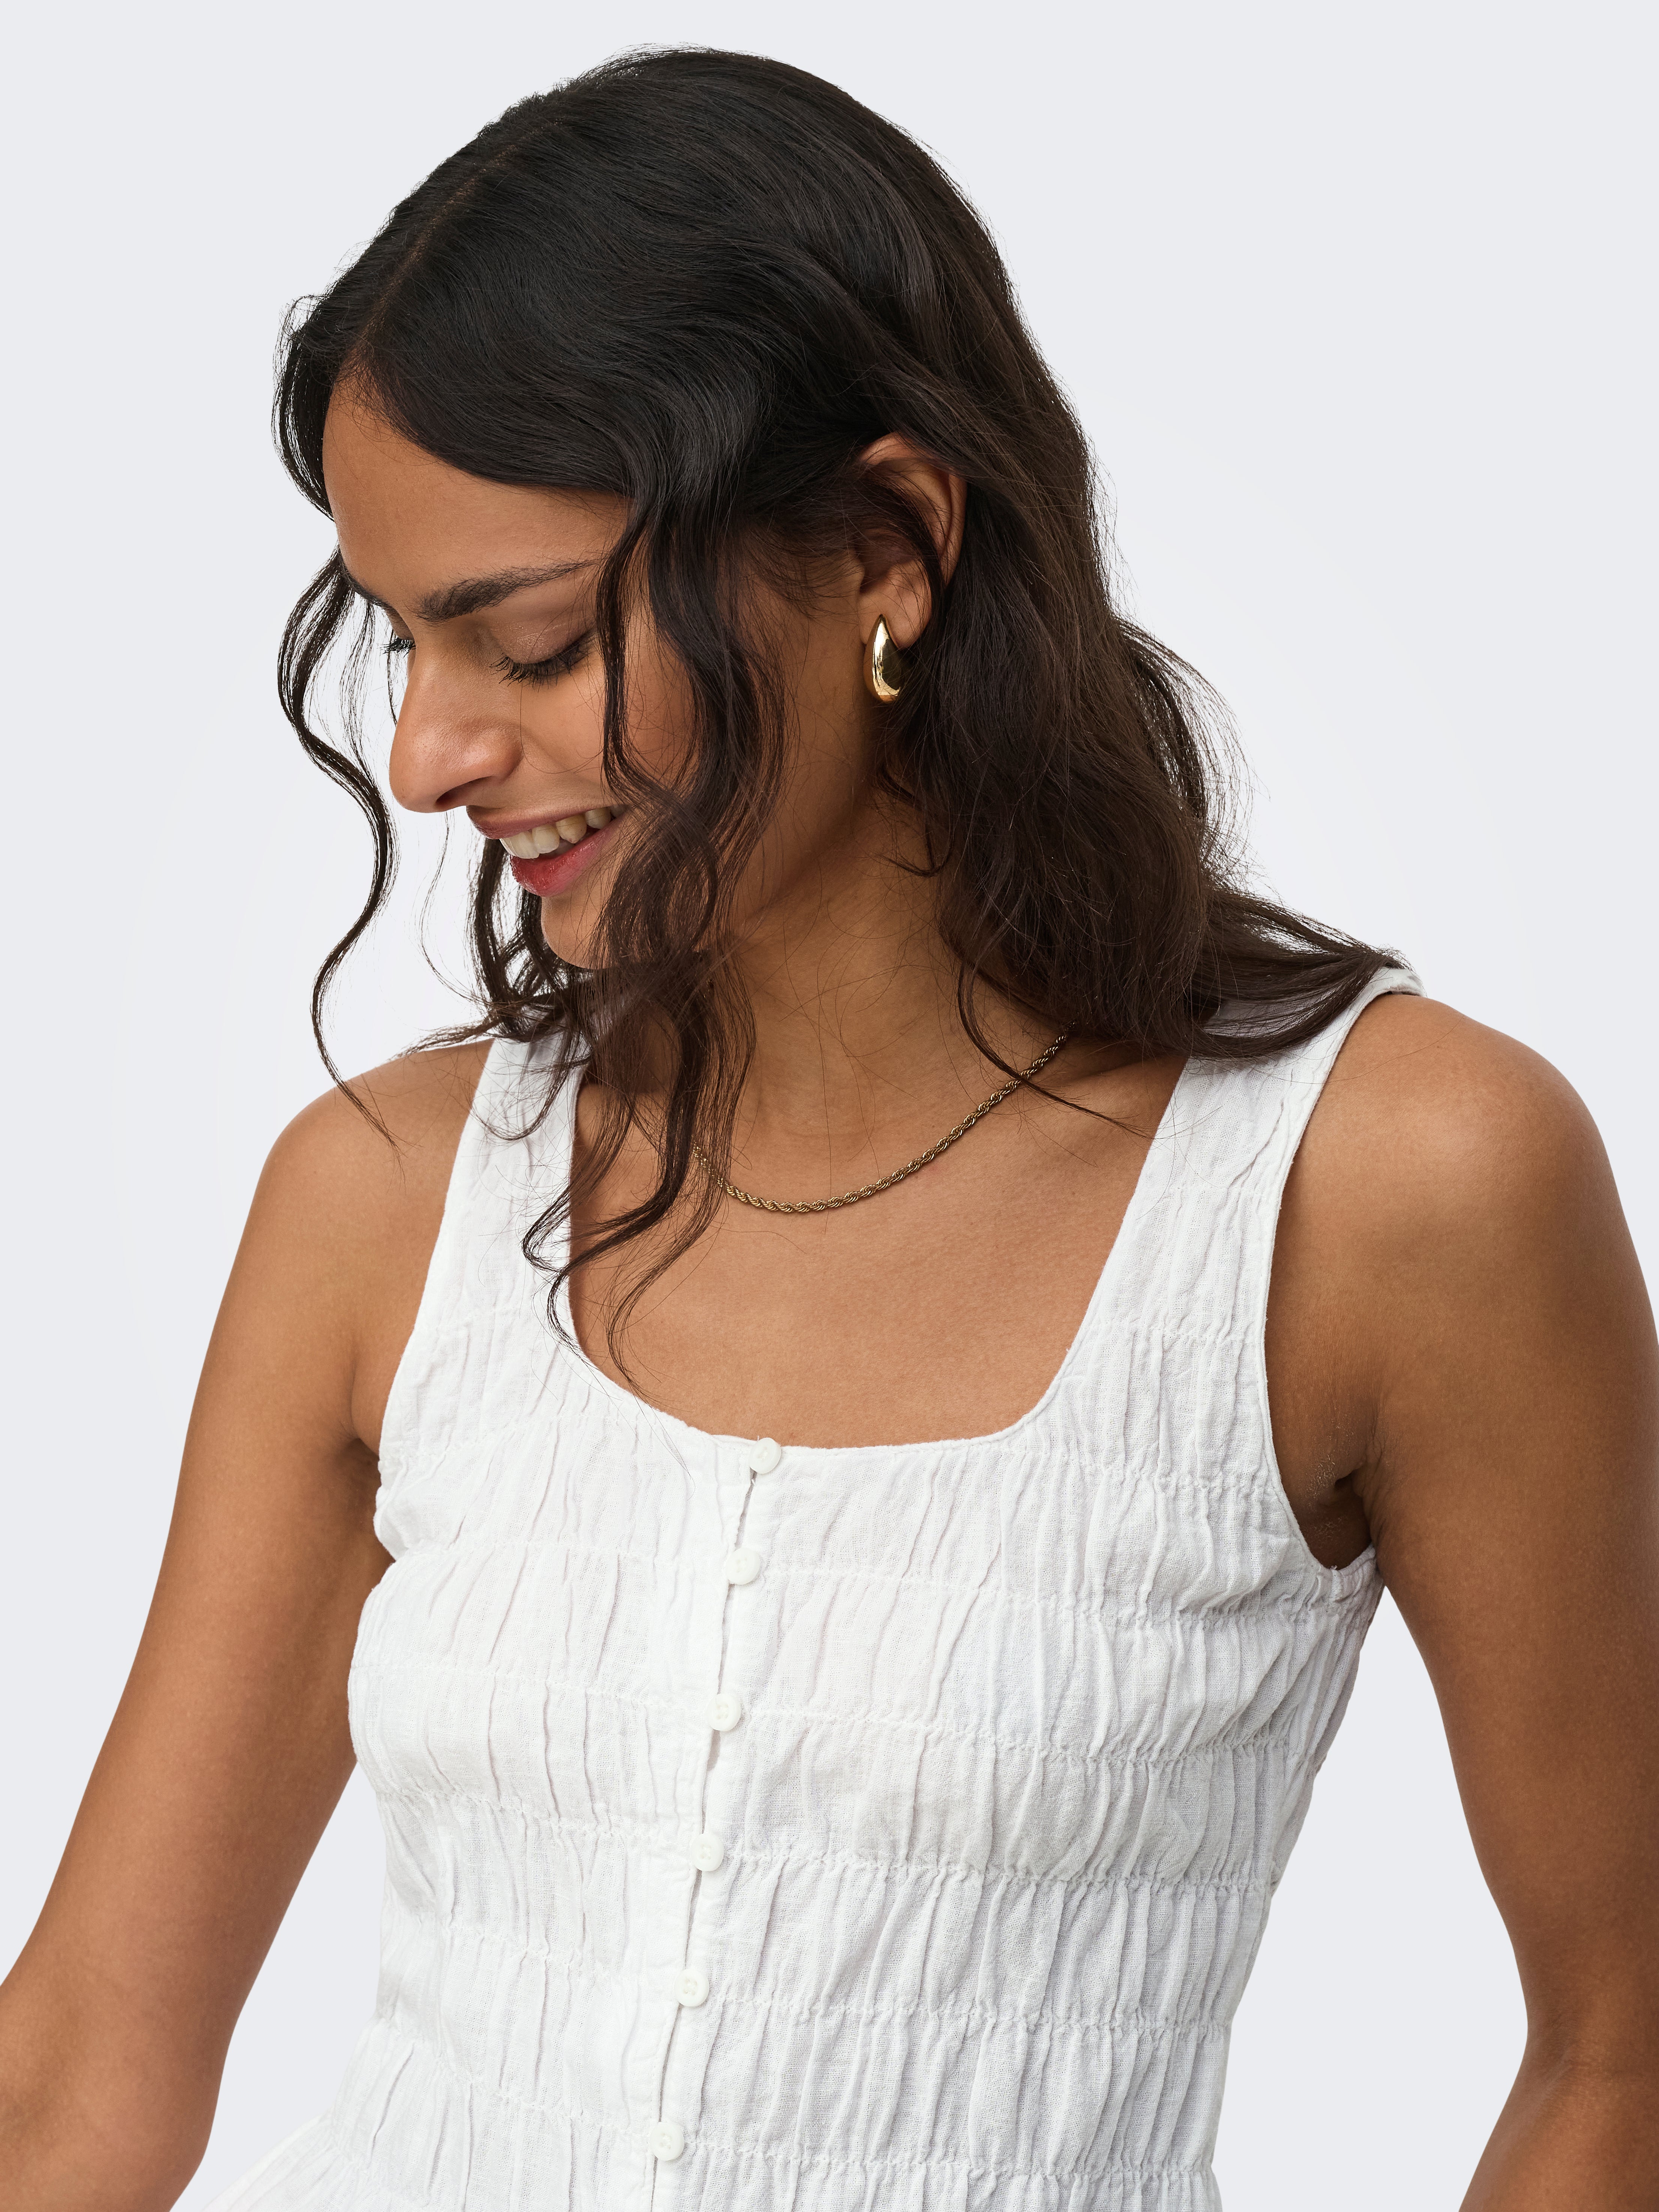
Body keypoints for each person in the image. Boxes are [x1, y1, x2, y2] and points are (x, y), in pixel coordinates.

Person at [2, 46, 1656, 2212]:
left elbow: (1624, 2049)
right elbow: (84, 2066)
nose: (425, 755)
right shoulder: (385, 1201)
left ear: (888, 546)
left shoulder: (1388, 1188)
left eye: (527, 640)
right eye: (400, 642)